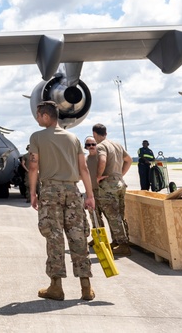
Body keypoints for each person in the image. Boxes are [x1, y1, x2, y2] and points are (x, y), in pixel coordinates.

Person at [28, 100, 95, 301]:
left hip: (50, 191)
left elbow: (33, 167)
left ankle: (56, 287)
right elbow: (83, 169)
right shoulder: (73, 138)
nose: (37, 118)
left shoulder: (37, 137)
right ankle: (86, 287)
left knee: (54, 236)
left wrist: (33, 192)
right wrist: (89, 195)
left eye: (39, 115)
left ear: (46, 116)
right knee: (78, 236)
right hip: (73, 191)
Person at [93, 124, 132, 256]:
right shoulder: (117, 145)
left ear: (95, 134)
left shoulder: (101, 146)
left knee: (112, 215)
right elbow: (129, 160)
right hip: (120, 184)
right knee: (119, 214)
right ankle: (117, 240)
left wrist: (98, 176)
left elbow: (102, 160)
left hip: (108, 186)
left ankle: (123, 244)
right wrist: (120, 174)